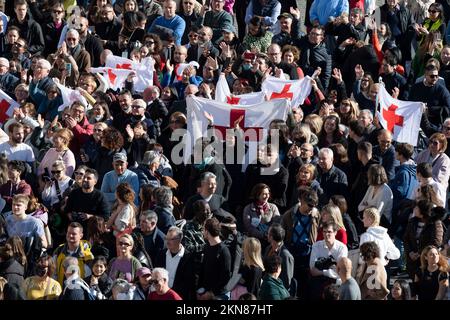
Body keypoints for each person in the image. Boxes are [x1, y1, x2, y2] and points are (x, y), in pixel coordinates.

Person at [309, 222, 348, 300]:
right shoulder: (316, 246)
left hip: (335, 286)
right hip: (318, 285)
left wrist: (322, 270)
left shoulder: (342, 248)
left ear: (335, 233)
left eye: (329, 232)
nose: (326, 234)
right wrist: (330, 269)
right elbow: (313, 270)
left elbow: (340, 272)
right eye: (324, 231)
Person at [154, 226, 195, 300]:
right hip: (161, 294)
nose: (167, 242)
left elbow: (188, 281)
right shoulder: (161, 254)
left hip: (179, 296)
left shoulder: (188, 257)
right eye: (167, 238)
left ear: (179, 240)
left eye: (171, 239)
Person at [197, 217, 232, 300]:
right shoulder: (207, 247)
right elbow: (203, 270)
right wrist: (199, 290)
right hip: (205, 293)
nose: (202, 232)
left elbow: (225, 277)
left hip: (219, 296)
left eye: (203, 229)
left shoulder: (224, 251)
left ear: (207, 232)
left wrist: (211, 293)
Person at [53, 222, 94, 286]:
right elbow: (53, 273)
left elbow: (89, 278)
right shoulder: (59, 251)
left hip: (78, 292)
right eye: (68, 233)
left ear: (81, 236)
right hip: (60, 291)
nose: (70, 235)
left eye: (74, 234)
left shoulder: (87, 256)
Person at [264, 224, 294, 292]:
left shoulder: (286, 256)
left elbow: (287, 281)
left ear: (271, 237)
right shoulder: (268, 249)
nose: (266, 235)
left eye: (268, 233)